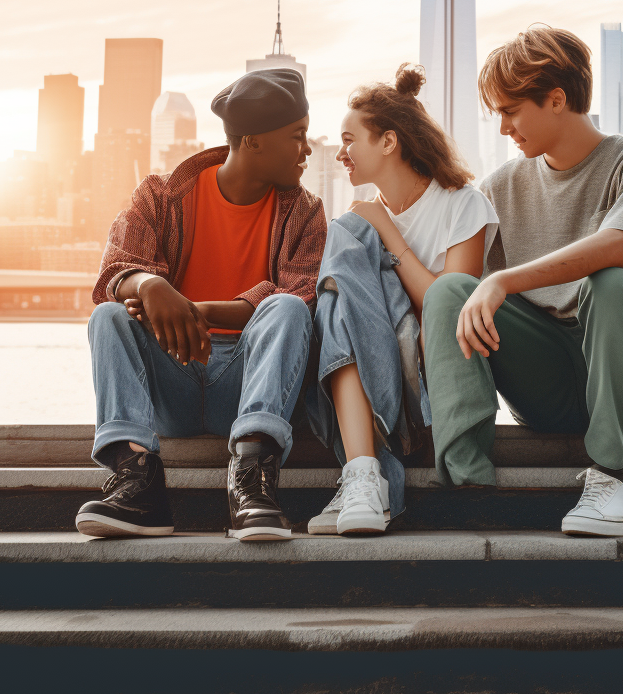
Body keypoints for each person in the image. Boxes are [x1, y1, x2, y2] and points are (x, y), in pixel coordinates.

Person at [422, 26, 623, 536]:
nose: (503, 127)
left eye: (510, 110)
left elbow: (617, 247)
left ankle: (612, 478)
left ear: (556, 99)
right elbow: (461, 303)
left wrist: (502, 279)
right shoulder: (500, 187)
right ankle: (467, 487)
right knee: (449, 291)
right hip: (554, 383)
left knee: (611, 282)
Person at [75, 68, 326, 541]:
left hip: (251, 384)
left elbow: (303, 294)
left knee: (289, 310)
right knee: (108, 315)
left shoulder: (306, 211)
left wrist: (201, 310)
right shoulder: (161, 195)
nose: (307, 149)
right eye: (297, 137)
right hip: (174, 380)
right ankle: (138, 480)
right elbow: (113, 276)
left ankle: (251, 480)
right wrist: (150, 285)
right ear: (252, 141)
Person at [308, 64, 498, 535]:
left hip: (434, 380)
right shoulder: (359, 221)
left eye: (350, 140)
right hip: (373, 370)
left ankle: (368, 475)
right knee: (342, 250)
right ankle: (364, 475)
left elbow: (451, 306)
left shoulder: (462, 204)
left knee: (348, 235)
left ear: (389, 142)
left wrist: (388, 233)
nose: (341, 154)